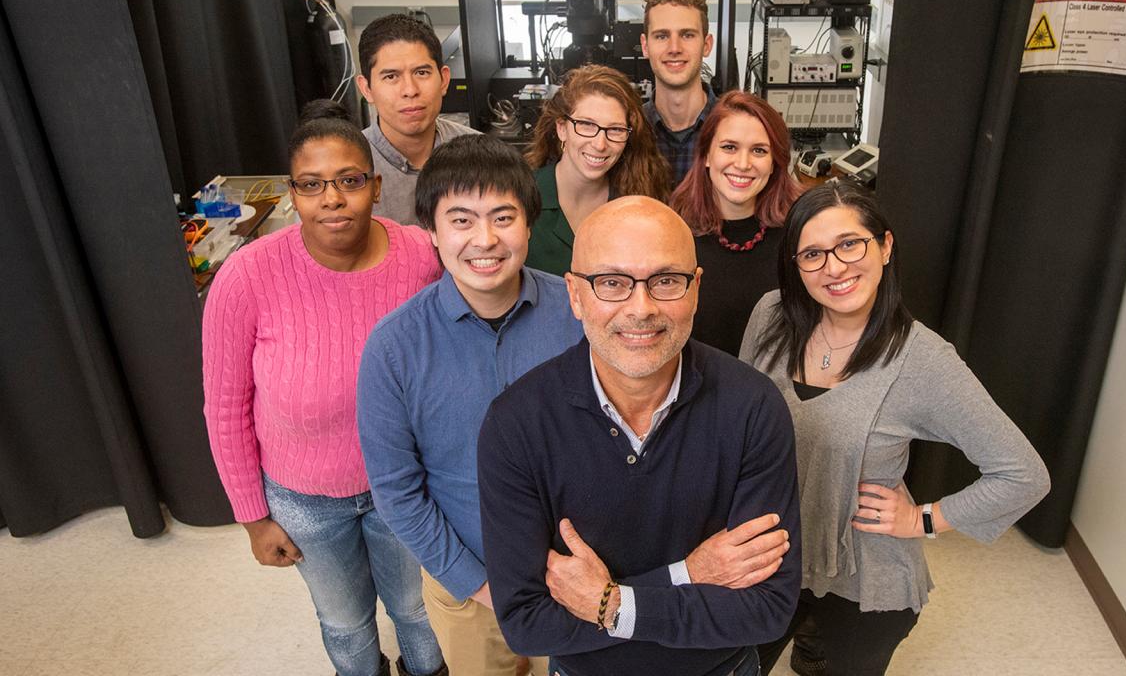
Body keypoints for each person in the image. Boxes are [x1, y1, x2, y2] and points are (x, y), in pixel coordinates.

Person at [477, 197, 801, 676]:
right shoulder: (516, 424)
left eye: (666, 281)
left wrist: (609, 604)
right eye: (611, 283)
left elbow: (767, 609)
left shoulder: (752, 406)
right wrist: (688, 575)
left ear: (696, 289)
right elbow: (528, 624)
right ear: (574, 294)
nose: (642, 308)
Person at [740, 182, 1052, 675]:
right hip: (771, 555)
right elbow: (742, 429)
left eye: (850, 244)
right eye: (813, 254)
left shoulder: (924, 360)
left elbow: (1023, 474)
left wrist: (922, 519)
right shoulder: (771, 316)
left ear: (884, 247)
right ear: (795, 265)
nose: (835, 267)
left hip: (865, 576)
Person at [202, 100, 446, 676]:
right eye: (312, 185)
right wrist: (254, 519)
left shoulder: (420, 255)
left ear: (375, 184)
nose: (332, 198)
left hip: (405, 486)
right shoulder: (246, 276)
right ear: (293, 192)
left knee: (418, 610)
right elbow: (225, 407)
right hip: (304, 499)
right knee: (345, 622)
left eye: (349, 181)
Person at [357, 135, 584, 676]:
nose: (485, 239)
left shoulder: (580, 314)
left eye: (503, 217)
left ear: (529, 224)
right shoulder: (392, 347)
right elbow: (397, 492)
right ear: (431, 232)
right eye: (461, 220)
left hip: (584, 571)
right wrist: (479, 585)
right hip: (465, 577)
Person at [670, 90, 801, 355]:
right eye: (729, 147)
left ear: (775, 162)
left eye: (759, 151)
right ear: (706, 155)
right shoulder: (672, 234)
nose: (743, 164)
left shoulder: (799, 237)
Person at [523, 64, 670, 276]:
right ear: (562, 128)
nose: (600, 144)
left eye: (616, 129)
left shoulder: (637, 203)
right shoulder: (521, 197)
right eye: (587, 125)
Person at [357, 13, 479, 225]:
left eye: (421, 73)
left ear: (444, 80)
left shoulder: (480, 155)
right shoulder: (345, 170)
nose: (410, 90)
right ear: (366, 89)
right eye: (391, 76)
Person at [640, 0, 717, 190]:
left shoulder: (731, 127)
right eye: (662, 36)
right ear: (645, 46)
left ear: (707, 45)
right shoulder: (628, 131)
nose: (674, 48)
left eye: (687, 35)